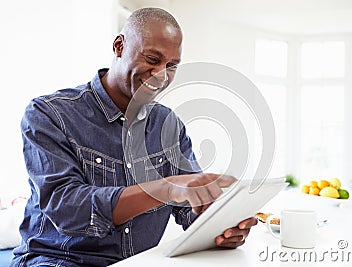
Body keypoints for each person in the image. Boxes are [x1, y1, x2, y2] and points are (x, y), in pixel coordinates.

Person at [11, 7, 257, 267]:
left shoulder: (169, 125)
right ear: (119, 46)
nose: (161, 75)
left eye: (171, 66)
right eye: (152, 59)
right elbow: (68, 210)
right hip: (57, 261)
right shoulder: (50, 113)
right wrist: (166, 188)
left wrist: (222, 228)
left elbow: (191, 210)